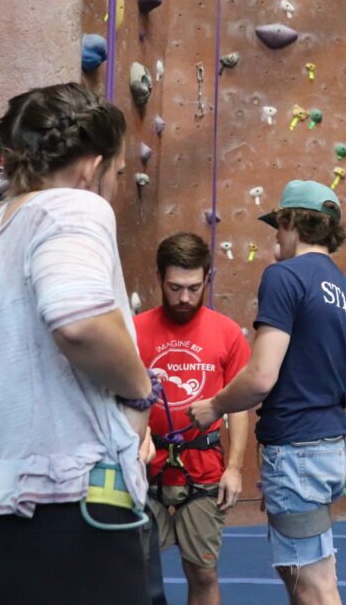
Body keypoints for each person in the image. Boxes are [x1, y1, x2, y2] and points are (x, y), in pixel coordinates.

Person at [0, 82, 156, 604]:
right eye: (114, 172)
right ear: (91, 165)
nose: (112, 186)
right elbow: (79, 322)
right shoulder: (69, 208)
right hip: (74, 514)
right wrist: (139, 391)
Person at [188, 179, 346, 605]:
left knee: (315, 587)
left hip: (299, 450)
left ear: (291, 223)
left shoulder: (284, 277)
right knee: (301, 573)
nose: (276, 238)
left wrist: (214, 405)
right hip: (326, 446)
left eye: (278, 227)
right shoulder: (345, 290)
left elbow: (262, 376)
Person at [136, 232, 251, 605]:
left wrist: (234, 468)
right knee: (137, 572)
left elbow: (240, 406)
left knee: (203, 573)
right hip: (144, 469)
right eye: (174, 287)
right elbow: (115, 395)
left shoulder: (228, 333)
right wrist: (136, 436)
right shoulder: (134, 330)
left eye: (193, 287)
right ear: (159, 279)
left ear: (207, 279)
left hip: (204, 468)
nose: (184, 297)